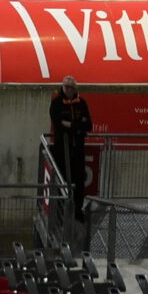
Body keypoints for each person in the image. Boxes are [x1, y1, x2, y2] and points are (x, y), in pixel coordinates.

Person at [48, 78, 92, 222]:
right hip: (61, 148)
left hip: (78, 149)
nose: (69, 90)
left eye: (71, 87)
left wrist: (70, 125)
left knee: (79, 181)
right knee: (61, 180)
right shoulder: (57, 103)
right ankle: (60, 213)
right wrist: (78, 126)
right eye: (66, 87)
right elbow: (58, 124)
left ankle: (77, 211)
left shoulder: (82, 103)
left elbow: (89, 124)